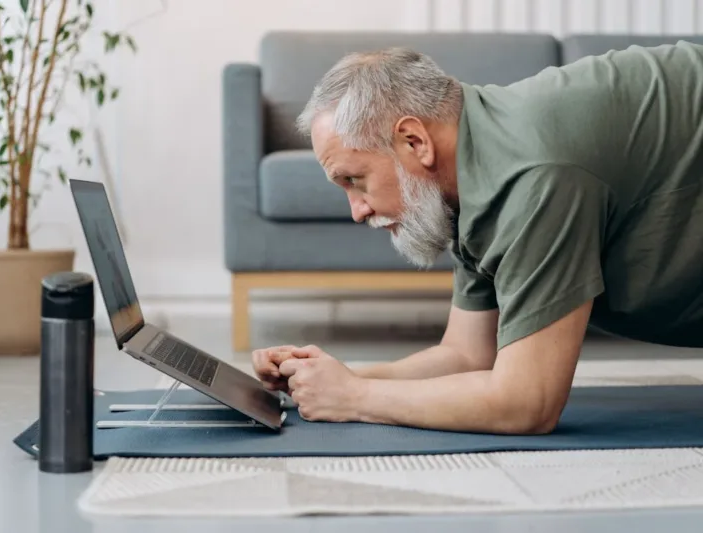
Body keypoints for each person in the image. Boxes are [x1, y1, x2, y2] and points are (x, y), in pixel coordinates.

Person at [251, 41, 703, 435]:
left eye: (355, 180)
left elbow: (528, 404)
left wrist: (356, 400)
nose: (357, 210)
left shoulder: (531, 178)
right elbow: (466, 355)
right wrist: (333, 380)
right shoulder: (466, 172)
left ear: (414, 141)